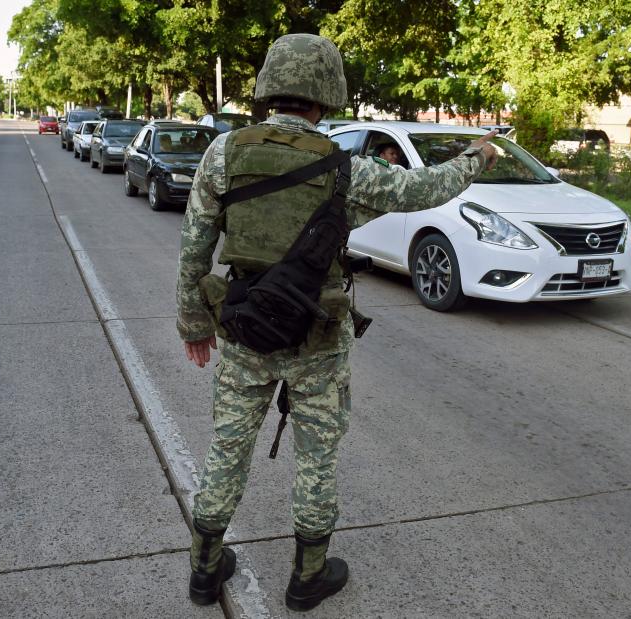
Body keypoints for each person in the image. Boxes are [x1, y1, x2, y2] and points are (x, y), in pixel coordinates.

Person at [176, 34, 497, 611]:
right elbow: (424, 188)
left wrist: (194, 324)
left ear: (270, 88)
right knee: (317, 457)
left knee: (227, 447)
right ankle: (308, 577)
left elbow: (195, 248)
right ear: (326, 94)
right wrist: (476, 156)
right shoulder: (346, 168)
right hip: (318, 337)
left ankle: (204, 570)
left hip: (245, 331)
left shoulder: (223, 153)